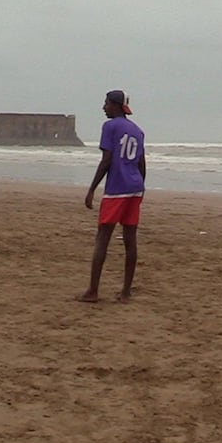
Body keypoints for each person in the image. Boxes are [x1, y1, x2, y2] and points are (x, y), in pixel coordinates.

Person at [78, 90, 146, 303]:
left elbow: (107, 160)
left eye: (106, 104)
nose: (104, 108)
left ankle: (93, 291)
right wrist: (140, 186)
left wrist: (91, 189)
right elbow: (142, 164)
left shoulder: (110, 126)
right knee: (130, 239)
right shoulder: (138, 130)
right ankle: (125, 292)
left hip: (117, 188)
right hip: (135, 187)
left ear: (115, 105)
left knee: (103, 238)